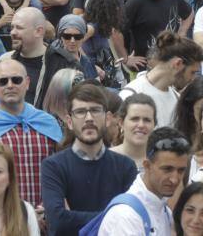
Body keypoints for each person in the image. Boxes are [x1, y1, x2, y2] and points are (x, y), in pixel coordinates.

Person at [41, 83, 139, 235]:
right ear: (69, 121)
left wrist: (72, 217)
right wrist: (114, 215)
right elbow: (58, 221)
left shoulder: (125, 166)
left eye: (95, 110)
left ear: (107, 118)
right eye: (80, 112)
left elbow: (133, 219)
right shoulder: (53, 166)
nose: (89, 118)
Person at [0, 59, 63, 207]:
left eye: (16, 80)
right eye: (2, 81)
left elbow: (61, 172)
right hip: (3, 215)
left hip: (47, 214)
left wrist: (47, 209)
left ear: (27, 82)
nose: (10, 85)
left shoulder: (47, 122)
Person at [96, 127, 190, 235]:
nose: (174, 179)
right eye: (167, 169)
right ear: (147, 166)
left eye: (181, 170)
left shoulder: (165, 211)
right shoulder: (125, 216)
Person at [2, 7, 78, 108]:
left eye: (19, 28)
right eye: (12, 27)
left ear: (39, 31)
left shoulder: (65, 63)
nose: (13, 32)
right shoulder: (5, 61)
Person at [124, 0, 193, 60]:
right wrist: (126, 58)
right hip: (144, 63)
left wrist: (182, 33)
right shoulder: (135, 2)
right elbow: (117, 32)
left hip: (170, 60)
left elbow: (189, 13)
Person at [110, 93, 157, 170]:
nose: (141, 125)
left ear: (154, 125)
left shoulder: (160, 165)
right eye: (135, 119)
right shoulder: (105, 161)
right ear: (121, 123)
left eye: (147, 120)